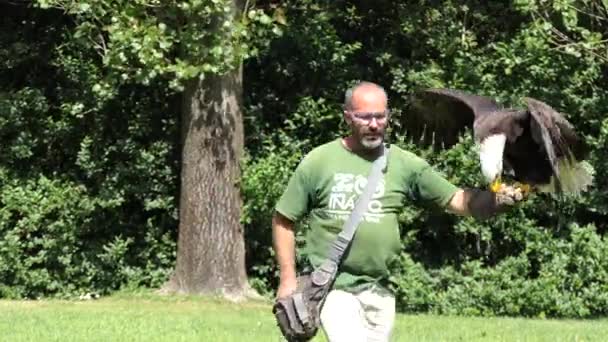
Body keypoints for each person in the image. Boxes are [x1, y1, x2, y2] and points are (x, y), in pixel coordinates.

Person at [272, 81, 521, 342]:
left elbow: (457, 199)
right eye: (365, 117)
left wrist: (496, 200)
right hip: (334, 288)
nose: (374, 124)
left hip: (381, 289)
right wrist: (287, 278)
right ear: (347, 117)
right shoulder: (320, 160)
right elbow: (284, 219)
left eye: (380, 116)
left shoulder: (404, 164)